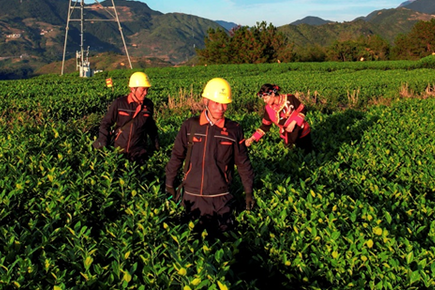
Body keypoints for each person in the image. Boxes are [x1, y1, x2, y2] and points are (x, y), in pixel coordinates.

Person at [165, 78, 255, 235]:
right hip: (192, 197)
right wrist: (169, 184)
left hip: (221, 197)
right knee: (192, 243)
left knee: (224, 243)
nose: (221, 108)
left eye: (224, 103)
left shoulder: (234, 130)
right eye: (216, 103)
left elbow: (243, 164)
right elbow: (177, 157)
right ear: (205, 101)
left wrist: (248, 191)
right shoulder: (190, 126)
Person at [94, 71, 159, 164]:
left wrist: (156, 146)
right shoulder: (119, 103)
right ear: (133, 89)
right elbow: (105, 123)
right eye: (143, 90)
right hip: (119, 152)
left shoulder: (148, 105)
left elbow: (151, 128)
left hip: (139, 154)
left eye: (147, 89)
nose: (145, 93)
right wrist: (103, 142)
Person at [245, 83, 313, 153]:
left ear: (272, 94)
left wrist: (294, 122)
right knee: (291, 158)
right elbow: (265, 127)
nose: (264, 101)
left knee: (306, 156)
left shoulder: (290, 98)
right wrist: (252, 138)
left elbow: (303, 110)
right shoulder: (268, 109)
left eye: (266, 98)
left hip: (303, 132)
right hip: (287, 136)